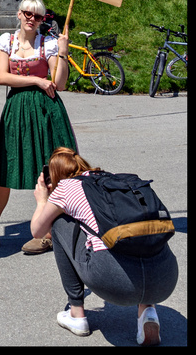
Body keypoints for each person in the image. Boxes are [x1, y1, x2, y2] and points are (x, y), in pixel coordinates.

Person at [30, 147, 178, 344]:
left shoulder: (65, 187)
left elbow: (38, 232)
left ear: (54, 177)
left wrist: (42, 200)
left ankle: (76, 313)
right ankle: (148, 311)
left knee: (58, 224)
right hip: (164, 281)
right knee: (139, 234)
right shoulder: (116, 181)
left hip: (116, 284)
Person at [0, 0, 75, 254]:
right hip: (17, 111)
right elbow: (2, 76)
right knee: (4, 170)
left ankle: (49, 233)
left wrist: (62, 54)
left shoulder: (49, 43)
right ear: (19, 14)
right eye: (27, 13)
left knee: (50, 171)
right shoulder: (7, 41)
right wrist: (37, 80)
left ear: (42, 20)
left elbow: (60, 83)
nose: (32, 19)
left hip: (46, 112)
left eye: (37, 15)